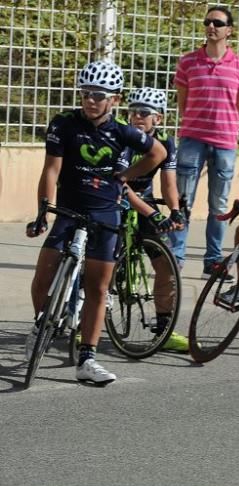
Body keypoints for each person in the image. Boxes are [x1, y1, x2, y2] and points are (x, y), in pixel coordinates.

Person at [26, 61, 166, 384]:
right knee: (43, 273)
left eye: (99, 95)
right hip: (69, 209)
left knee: (98, 288)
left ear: (114, 99)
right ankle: (40, 321)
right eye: (86, 93)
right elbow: (51, 170)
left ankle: (87, 358)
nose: (90, 100)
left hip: (106, 213)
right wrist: (42, 211)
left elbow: (157, 153)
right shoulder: (64, 125)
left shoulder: (123, 132)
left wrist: (127, 176)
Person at [170, 5, 239, 278]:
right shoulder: (188, 62)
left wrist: (225, 125)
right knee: (183, 201)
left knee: (219, 205)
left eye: (218, 23)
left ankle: (213, 261)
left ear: (229, 30)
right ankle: (176, 258)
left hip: (225, 141)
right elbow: (183, 103)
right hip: (192, 138)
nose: (212, 27)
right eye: (208, 22)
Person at [120, 87, 190, 353]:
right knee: (99, 262)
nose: (137, 117)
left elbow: (169, 183)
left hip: (145, 204)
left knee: (167, 266)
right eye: (132, 112)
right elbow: (120, 186)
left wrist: (174, 211)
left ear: (157, 119)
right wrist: (154, 213)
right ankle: (82, 325)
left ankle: (164, 329)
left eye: (143, 113)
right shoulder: (123, 139)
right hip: (115, 199)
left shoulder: (166, 143)